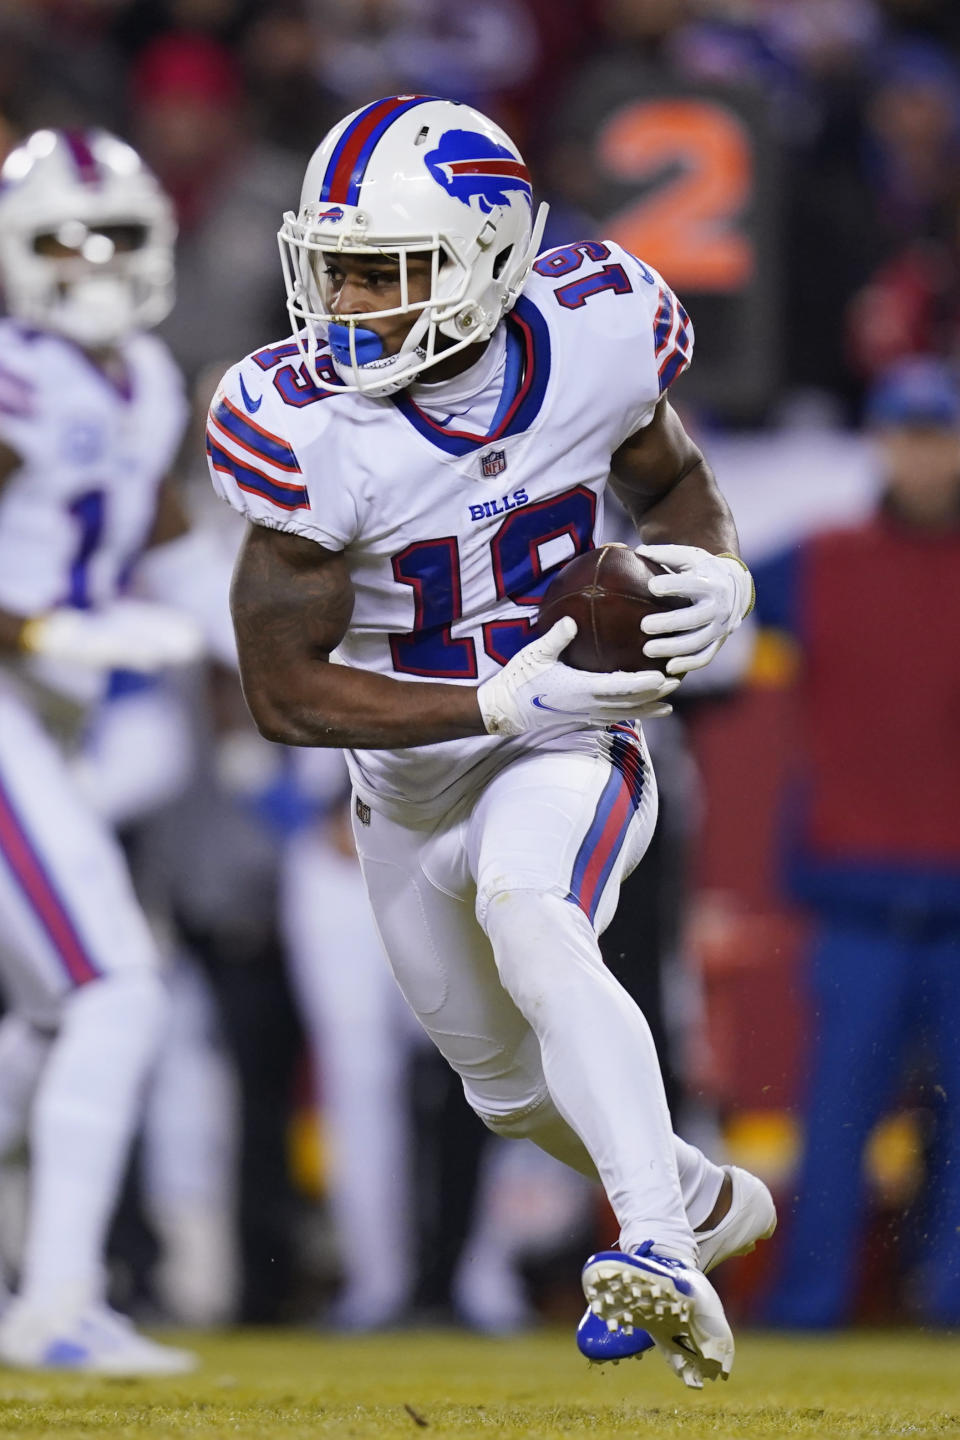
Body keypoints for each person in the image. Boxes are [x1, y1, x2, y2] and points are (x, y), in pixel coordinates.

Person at [209, 95, 775, 1388]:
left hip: (573, 729)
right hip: (409, 765)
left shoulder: (598, 326)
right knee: (508, 1092)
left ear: (494, 255)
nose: (345, 307)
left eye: (386, 276)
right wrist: (486, 706)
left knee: (536, 914)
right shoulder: (305, 424)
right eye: (334, 271)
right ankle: (694, 1192)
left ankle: (655, 1249)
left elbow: (674, 482)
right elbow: (285, 693)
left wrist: (721, 576)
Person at [0, 126, 208, 1374]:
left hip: (52, 719)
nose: (90, 263)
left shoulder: (147, 376)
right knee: (117, 982)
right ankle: (61, 1301)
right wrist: (49, 625)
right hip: (8, 701)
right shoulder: (16, 378)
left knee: (35, 1019)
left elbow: (170, 528)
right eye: (62, 240)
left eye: (114, 236)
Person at [757, 357, 960, 1329]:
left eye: (937, 434)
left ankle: (949, 1302)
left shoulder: (819, 560)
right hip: (858, 892)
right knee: (835, 1125)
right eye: (907, 433)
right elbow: (698, 601)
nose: (922, 454)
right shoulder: (820, 562)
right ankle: (808, 1306)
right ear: (881, 440)